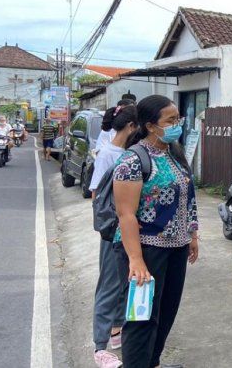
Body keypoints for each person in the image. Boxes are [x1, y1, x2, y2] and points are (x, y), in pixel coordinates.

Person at [113, 95, 199, 368]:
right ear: (151, 125)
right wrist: (136, 260)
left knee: (166, 312)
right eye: (170, 120)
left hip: (177, 247)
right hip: (147, 250)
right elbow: (125, 214)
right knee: (142, 318)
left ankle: (152, 362)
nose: (177, 125)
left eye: (178, 119)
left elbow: (188, 198)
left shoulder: (175, 152)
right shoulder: (133, 160)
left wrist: (192, 235)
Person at [90, 104, 138, 368]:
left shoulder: (128, 153)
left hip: (127, 230)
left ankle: (116, 332)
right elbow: (97, 194)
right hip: (113, 231)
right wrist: (109, 226)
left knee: (124, 284)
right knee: (109, 286)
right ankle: (100, 347)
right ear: (132, 127)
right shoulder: (109, 154)